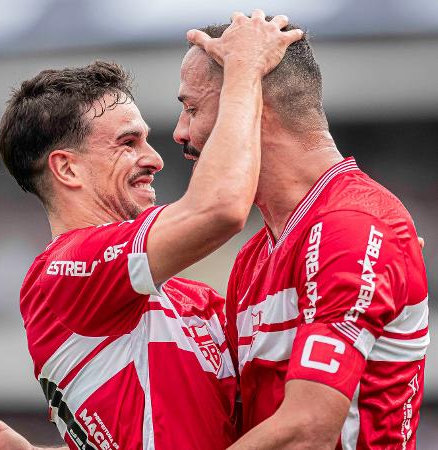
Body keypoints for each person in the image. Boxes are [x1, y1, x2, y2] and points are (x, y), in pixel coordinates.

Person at [0, 11, 303, 450]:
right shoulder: (63, 272)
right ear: (67, 168)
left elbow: (140, 428)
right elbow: (218, 210)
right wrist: (244, 71)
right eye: (127, 142)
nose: (156, 159)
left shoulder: (187, 299)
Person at [172, 19, 429, 449]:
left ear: (250, 107)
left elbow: (308, 431)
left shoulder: (351, 226)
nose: (180, 131)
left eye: (193, 110)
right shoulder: (256, 254)